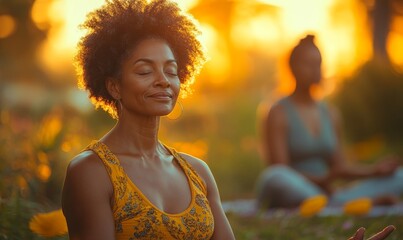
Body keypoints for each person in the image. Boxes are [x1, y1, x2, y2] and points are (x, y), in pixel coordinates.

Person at [61, 0, 235, 239]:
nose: (163, 80)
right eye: (145, 71)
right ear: (114, 86)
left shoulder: (197, 171)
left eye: (171, 71)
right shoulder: (91, 172)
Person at [256, 34, 403, 209]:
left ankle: (332, 204)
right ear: (293, 67)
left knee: (399, 177)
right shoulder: (278, 111)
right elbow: (281, 168)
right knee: (275, 176)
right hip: (293, 188)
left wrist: (374, 171)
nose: (316, 70)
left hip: (323, 194)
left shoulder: (330, 113)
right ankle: (343, 204)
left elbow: (340, 167)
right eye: (309, 64)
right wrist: (323, 179)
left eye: (319, 64)